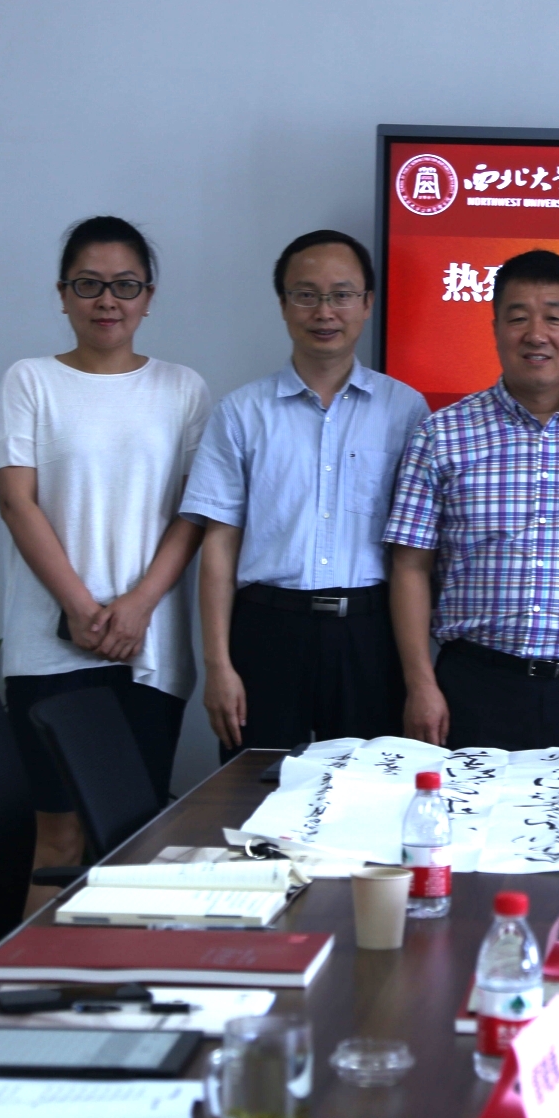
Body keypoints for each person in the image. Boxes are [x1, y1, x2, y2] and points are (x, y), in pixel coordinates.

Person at [0, 217, 209, 906]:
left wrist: (137, 605)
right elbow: (17, 502)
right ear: (63, 294)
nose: (107, 300)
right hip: (48, 649)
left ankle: (121, 972)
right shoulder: (30, 380)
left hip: (148, 647)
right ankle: (34, 976)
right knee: (55, 839)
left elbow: (193, 513)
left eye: (125, 285)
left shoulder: (183, 389)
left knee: (134, 838)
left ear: (149, 297)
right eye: (88, 284)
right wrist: (82, 608)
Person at [384, 249, 559, 754]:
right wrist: (420, 682)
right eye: (518, 318)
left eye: (554, 317)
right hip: (473, 684)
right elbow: (409, 566)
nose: (536, 334)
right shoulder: (442, 434)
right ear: (495, 329)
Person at [182, 231, 428, 757]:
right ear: (283, 304)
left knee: (366, 792)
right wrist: (218, 664)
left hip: (370, 634)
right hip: (267, 631)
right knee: (255, 790)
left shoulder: (406, 411)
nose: (324, 311)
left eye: (342, 295)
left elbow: (416, 553)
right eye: (306, 295)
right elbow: (219, 545)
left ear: (367, 303)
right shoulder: (241, 412)